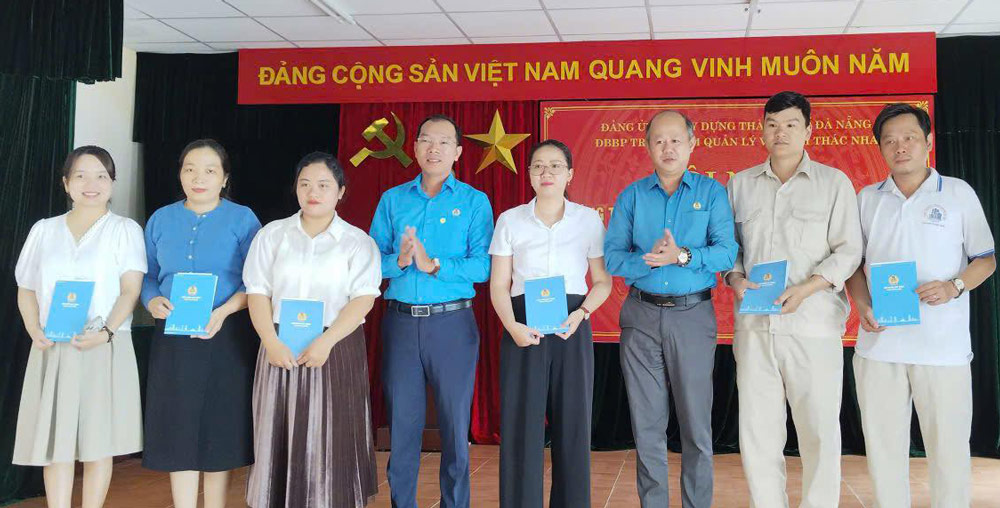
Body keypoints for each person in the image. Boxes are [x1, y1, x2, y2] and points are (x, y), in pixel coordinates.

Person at [846, 104, 995, 507]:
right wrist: (862, 305)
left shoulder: (958, 193)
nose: (900, 147)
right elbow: (853, 265)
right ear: (880, 148)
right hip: (880, 348)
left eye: (909, 137)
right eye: (890, 140)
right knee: (883, 453)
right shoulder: (867, 199)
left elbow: (985, 259)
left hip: (942, 350)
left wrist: (954, 286)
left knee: (949, 453)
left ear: (928, 141)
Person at [725, 91, 863, 507]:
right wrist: (735, 277)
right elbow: (730, 248)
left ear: (808, 130)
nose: (780, 132)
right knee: (758, 431)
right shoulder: (740, 184)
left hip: (813, 325)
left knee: (819, 431)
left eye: (790, 124)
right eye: (772, 124)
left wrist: (808, 288)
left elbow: (849, 250)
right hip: (755, 327)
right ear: (762, 131)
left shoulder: (833, 183)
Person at [605, 111, 738, 508]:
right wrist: (647, 260)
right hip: (641, 316)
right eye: (659, 140)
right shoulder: (632, 196)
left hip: (692, 317)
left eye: (676, 140)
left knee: (696, 424)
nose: (668, 148)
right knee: (647, 426)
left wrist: (681, 256)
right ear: (647, 147)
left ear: (692, 144)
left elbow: (726, 252)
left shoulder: (711, 193)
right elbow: (612, 257)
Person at [369, 114, 493, 508]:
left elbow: (483, 266)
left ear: (458, 152)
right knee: (403, 425)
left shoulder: (474, 201)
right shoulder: (393, 199)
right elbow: (370, 262)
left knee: (455, 425)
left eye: (443, 142)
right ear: (415, 147)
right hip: (402, 324)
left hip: (452, 324)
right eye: (425, 140)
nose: (433, 148)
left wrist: (434, 265)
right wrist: (401, 261)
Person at [244, 152, 381, 507]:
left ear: (341, 191)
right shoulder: (272, 235)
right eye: (305, 184)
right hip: (279, 343)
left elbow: (363, 299)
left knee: (332, 432)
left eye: (323, 185)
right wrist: (270, 341)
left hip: (335, 345)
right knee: (278, 428)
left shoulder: (357, 241)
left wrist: (326, 342)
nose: (313, 192)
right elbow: (257, 292)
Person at [13, 146, 146, 508]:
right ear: (66, 183)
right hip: (53, 344)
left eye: (101, 176)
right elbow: (26, 288)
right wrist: (33, 328)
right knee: (56, 444)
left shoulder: (124, 230)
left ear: (112, 183)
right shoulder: (44, 230)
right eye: (81, 176)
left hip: (103, 343)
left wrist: (106, 332)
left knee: (97, 443)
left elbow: (131, 289)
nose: (92, 184)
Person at [490, 139, 613, 508]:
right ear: (529, 174)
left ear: (569, 174)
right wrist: (511, 325)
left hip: (571, 324)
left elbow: (602, 281)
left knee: (573, 426)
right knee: (521, 426)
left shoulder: (588, 220)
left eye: (555, 165)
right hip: (521, 325)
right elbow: (499, 284)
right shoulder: (510, 220)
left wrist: (582, 313)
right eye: (538, 166)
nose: (546, 172)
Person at [140, 139, 261, 508]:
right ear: (180, 174)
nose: (199, 178)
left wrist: (223, 312)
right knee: (177, 425)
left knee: (217, 426)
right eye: (190, 169)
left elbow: (256, 281)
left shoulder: (243, 219)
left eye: (210, 170)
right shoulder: (161, 218)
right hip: (172, 335)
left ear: (224, 178)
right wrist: (151, 300)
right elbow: (147, 274)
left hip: (225, 333)